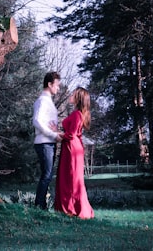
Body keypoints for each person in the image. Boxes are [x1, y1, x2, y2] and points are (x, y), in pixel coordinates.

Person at [54, 86, 95, 219]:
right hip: (71, 147)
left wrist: (56, 133)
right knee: (70, 178)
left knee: (71, 179)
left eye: (74, 94)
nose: (71, 95)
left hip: (72, 149)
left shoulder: (77, 114)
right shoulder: (77, 113)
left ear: (78, 98)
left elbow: (71, 135)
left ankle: (74, 209)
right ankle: (70, 208)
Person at [32, 71, 63, 210]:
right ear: (49, 84)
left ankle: (41, 205)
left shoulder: (48, 100)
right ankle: (39, 206)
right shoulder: (42, 101)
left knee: (48, 175)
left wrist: (56, 133)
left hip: (49, 143)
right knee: (46, 175)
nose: (58, 88)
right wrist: (52, 134)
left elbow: (46, 121)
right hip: (44, 143)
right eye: (57, 85)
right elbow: (36, 121)